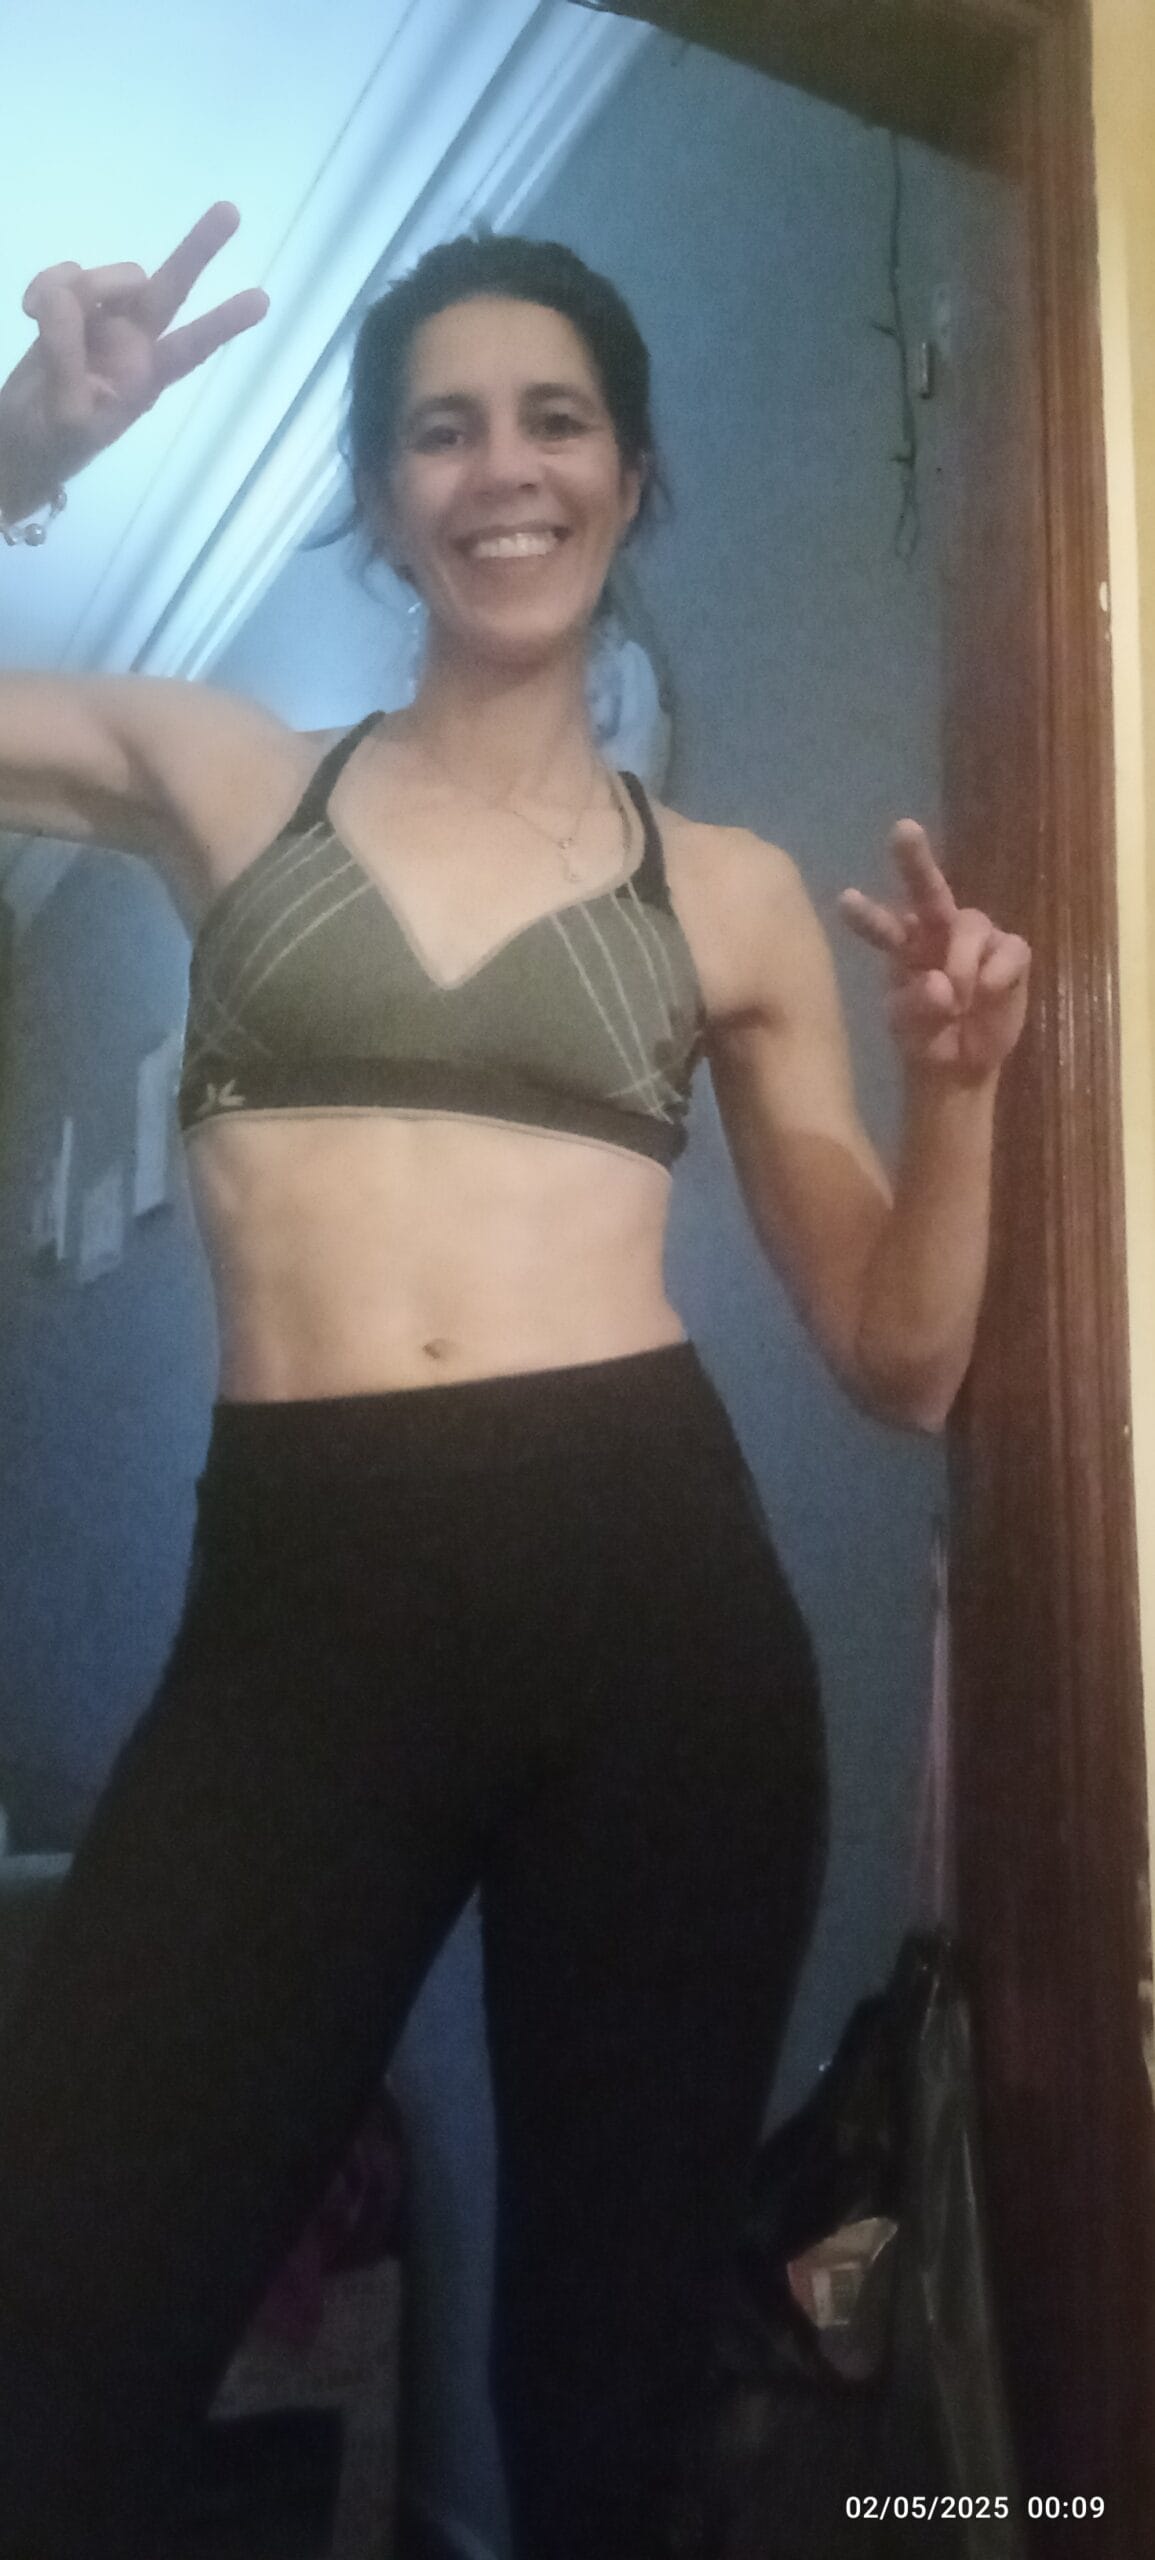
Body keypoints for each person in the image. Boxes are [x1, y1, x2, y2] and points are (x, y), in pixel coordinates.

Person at [0, 203, 1031, 2560]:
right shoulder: (222, 772)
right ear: (382, 499)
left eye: (553, 420)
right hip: (298, 1628)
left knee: (602, 2391)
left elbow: (898, 1356)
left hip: (650, 1618)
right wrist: (25, 448)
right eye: (442, 430)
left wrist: (960, 1085)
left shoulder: (731, 889)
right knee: (62, 2314)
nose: (503, 469)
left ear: (630, 472)